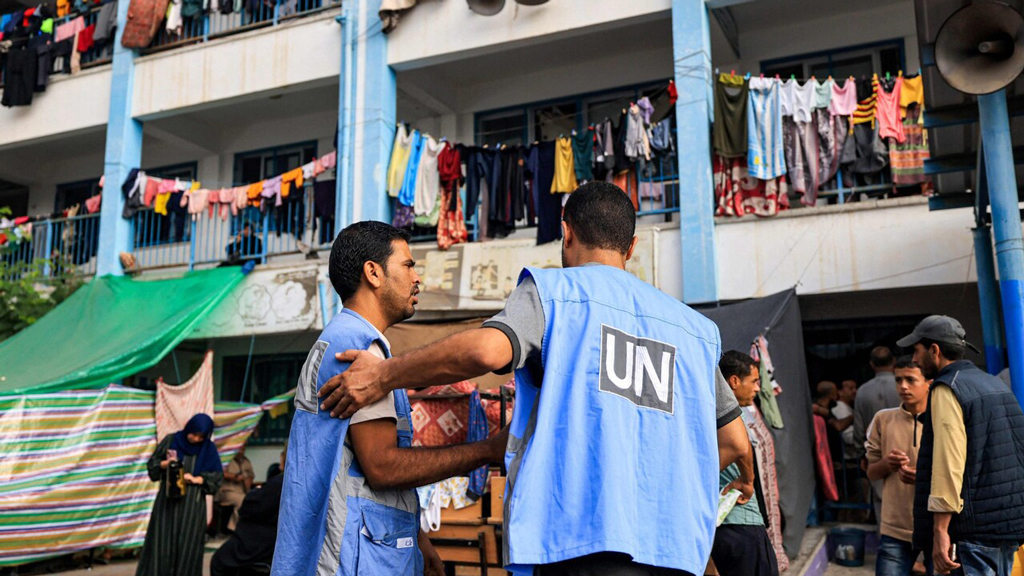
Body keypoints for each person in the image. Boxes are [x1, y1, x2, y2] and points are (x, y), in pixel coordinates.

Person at [318, 182, 755, 576]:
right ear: (632, 246)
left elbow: (487, 351)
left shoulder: (555, 294)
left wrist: (384, 376)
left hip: (578, 545)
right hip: (676, 549)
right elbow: (736, 442)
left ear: (566, 234)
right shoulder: (694, 330)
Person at [272, 221, 507, 576]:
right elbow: (382, 467)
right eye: (408, 265)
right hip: (351, 556)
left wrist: (418, 539)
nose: (417, 278)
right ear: (373, 273)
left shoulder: (342, 337)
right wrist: (487, 450)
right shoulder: (360, 348)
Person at [899, 316, 1024, 576]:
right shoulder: (994, 383)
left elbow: (948, 463)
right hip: (1007, 524)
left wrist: (940, 531)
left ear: (935, 350)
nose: (913, 359)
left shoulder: (948, 388)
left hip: (972, 531)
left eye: (916, 350)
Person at [865, 357, 933, 576]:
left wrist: (925, 476)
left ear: (929, 383)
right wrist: (887, 463)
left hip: (939, 526)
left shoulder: (943, 420)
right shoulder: (883, 420)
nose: (903, 386)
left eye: (911, 380)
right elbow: (871, 473)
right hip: (895, 527)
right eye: (899, 380)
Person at [713, 351, 779, 576]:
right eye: (753, 381)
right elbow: (740, 448)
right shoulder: (732, 418)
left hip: (717, 524)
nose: (758, 388)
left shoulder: (705, 410)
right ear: (733, 381)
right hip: (741, 520)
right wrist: (747, 480)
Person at [137, 414, 224, 576]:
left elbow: (216, 477)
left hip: (193, 505)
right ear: (188, 428)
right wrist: (166, 464)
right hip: (167, 502)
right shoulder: (171, 441)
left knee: (188, 547)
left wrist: (196, 479)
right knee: (161, 543)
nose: (197, 439)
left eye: (201, 436)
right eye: (194, 434)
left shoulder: (208, 449)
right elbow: (152, 466)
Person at [211, 450, 286, 576]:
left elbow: (253, 506)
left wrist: (254, 491)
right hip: (230, 491)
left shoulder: (281, 482)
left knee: (220, 561)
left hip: (262, 542)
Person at [854, 346, 900, 524]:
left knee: (882, 502)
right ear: (893, 361)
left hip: (877, 454)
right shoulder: (906, 385)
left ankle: (887, 544)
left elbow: (859, 429)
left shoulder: (863, 391)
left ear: (872, 365)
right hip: (908, 451)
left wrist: (861, 453)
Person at [215, 444, 255, 534]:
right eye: (240, 449)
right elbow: (220, 472)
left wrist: (248, 480)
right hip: (227, 491)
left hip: (242, 490)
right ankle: (234, 529)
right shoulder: (227, 459)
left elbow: (251, 475)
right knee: (241, 500)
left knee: (250, 500)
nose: (242, 451)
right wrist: (235, 477)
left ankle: (247, 529)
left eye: (243, 449)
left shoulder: (246, 461)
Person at [833, 379, 858, 460]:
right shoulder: (841, 408)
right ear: (840, 392)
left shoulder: (848, 408)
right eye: (851, 388)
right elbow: (848, 437)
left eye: (855, 388)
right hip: (850, 458)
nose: (855, 391)